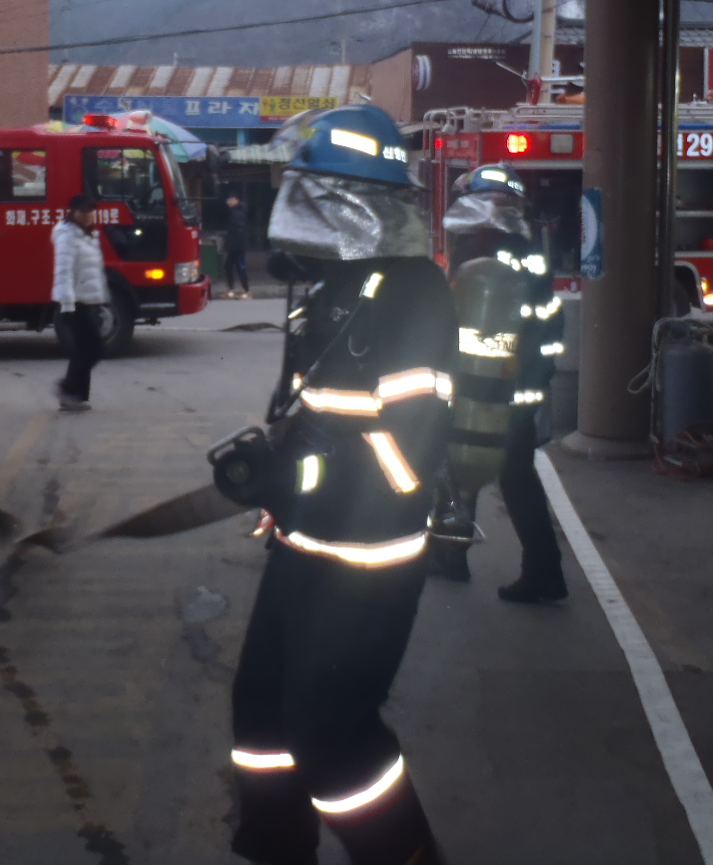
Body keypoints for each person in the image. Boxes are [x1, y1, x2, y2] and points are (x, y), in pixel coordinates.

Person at [223, 104, 455, 865]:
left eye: (307, 194)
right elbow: (314, 414)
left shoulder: (412, 294)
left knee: (330, 730)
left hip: (367, 558)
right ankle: (274, 848)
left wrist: (300, 474)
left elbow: (407, 459)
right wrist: (276, 467)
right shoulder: (332, 288)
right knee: (260, 714)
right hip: (303, 543)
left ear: (352, 203)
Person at [427, 163, 569, 603]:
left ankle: (536, 570)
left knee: (476, 462)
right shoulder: (524, 251)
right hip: (512, 385)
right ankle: (455, 553)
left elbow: (462, 322)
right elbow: (549, 322)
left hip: (488, 384)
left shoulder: (483, 253)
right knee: (481, 463)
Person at [51, 193, 110, 413]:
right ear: (73, 212)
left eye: (91, 211)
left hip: (87, 300)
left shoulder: (90, 235)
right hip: (75, 302)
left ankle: (76, 396)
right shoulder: (67, 236)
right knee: (93, 348)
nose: (88, 215)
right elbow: (63, 272)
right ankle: (67, 388)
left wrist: (100, 299)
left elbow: (94, 271)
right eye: (83, 211)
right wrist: (67, 306)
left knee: (84, 349)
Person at [224, 194, 251, 299]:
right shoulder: (234, 211)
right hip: (234, 246)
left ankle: (246, 290)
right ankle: (232, 289)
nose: (229, 202)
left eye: (231, 200)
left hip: (238, 246)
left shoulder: (238, 213)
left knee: (240, 267)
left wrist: (234, 246)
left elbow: (238, 231)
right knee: (229, 266)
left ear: (237, 200)